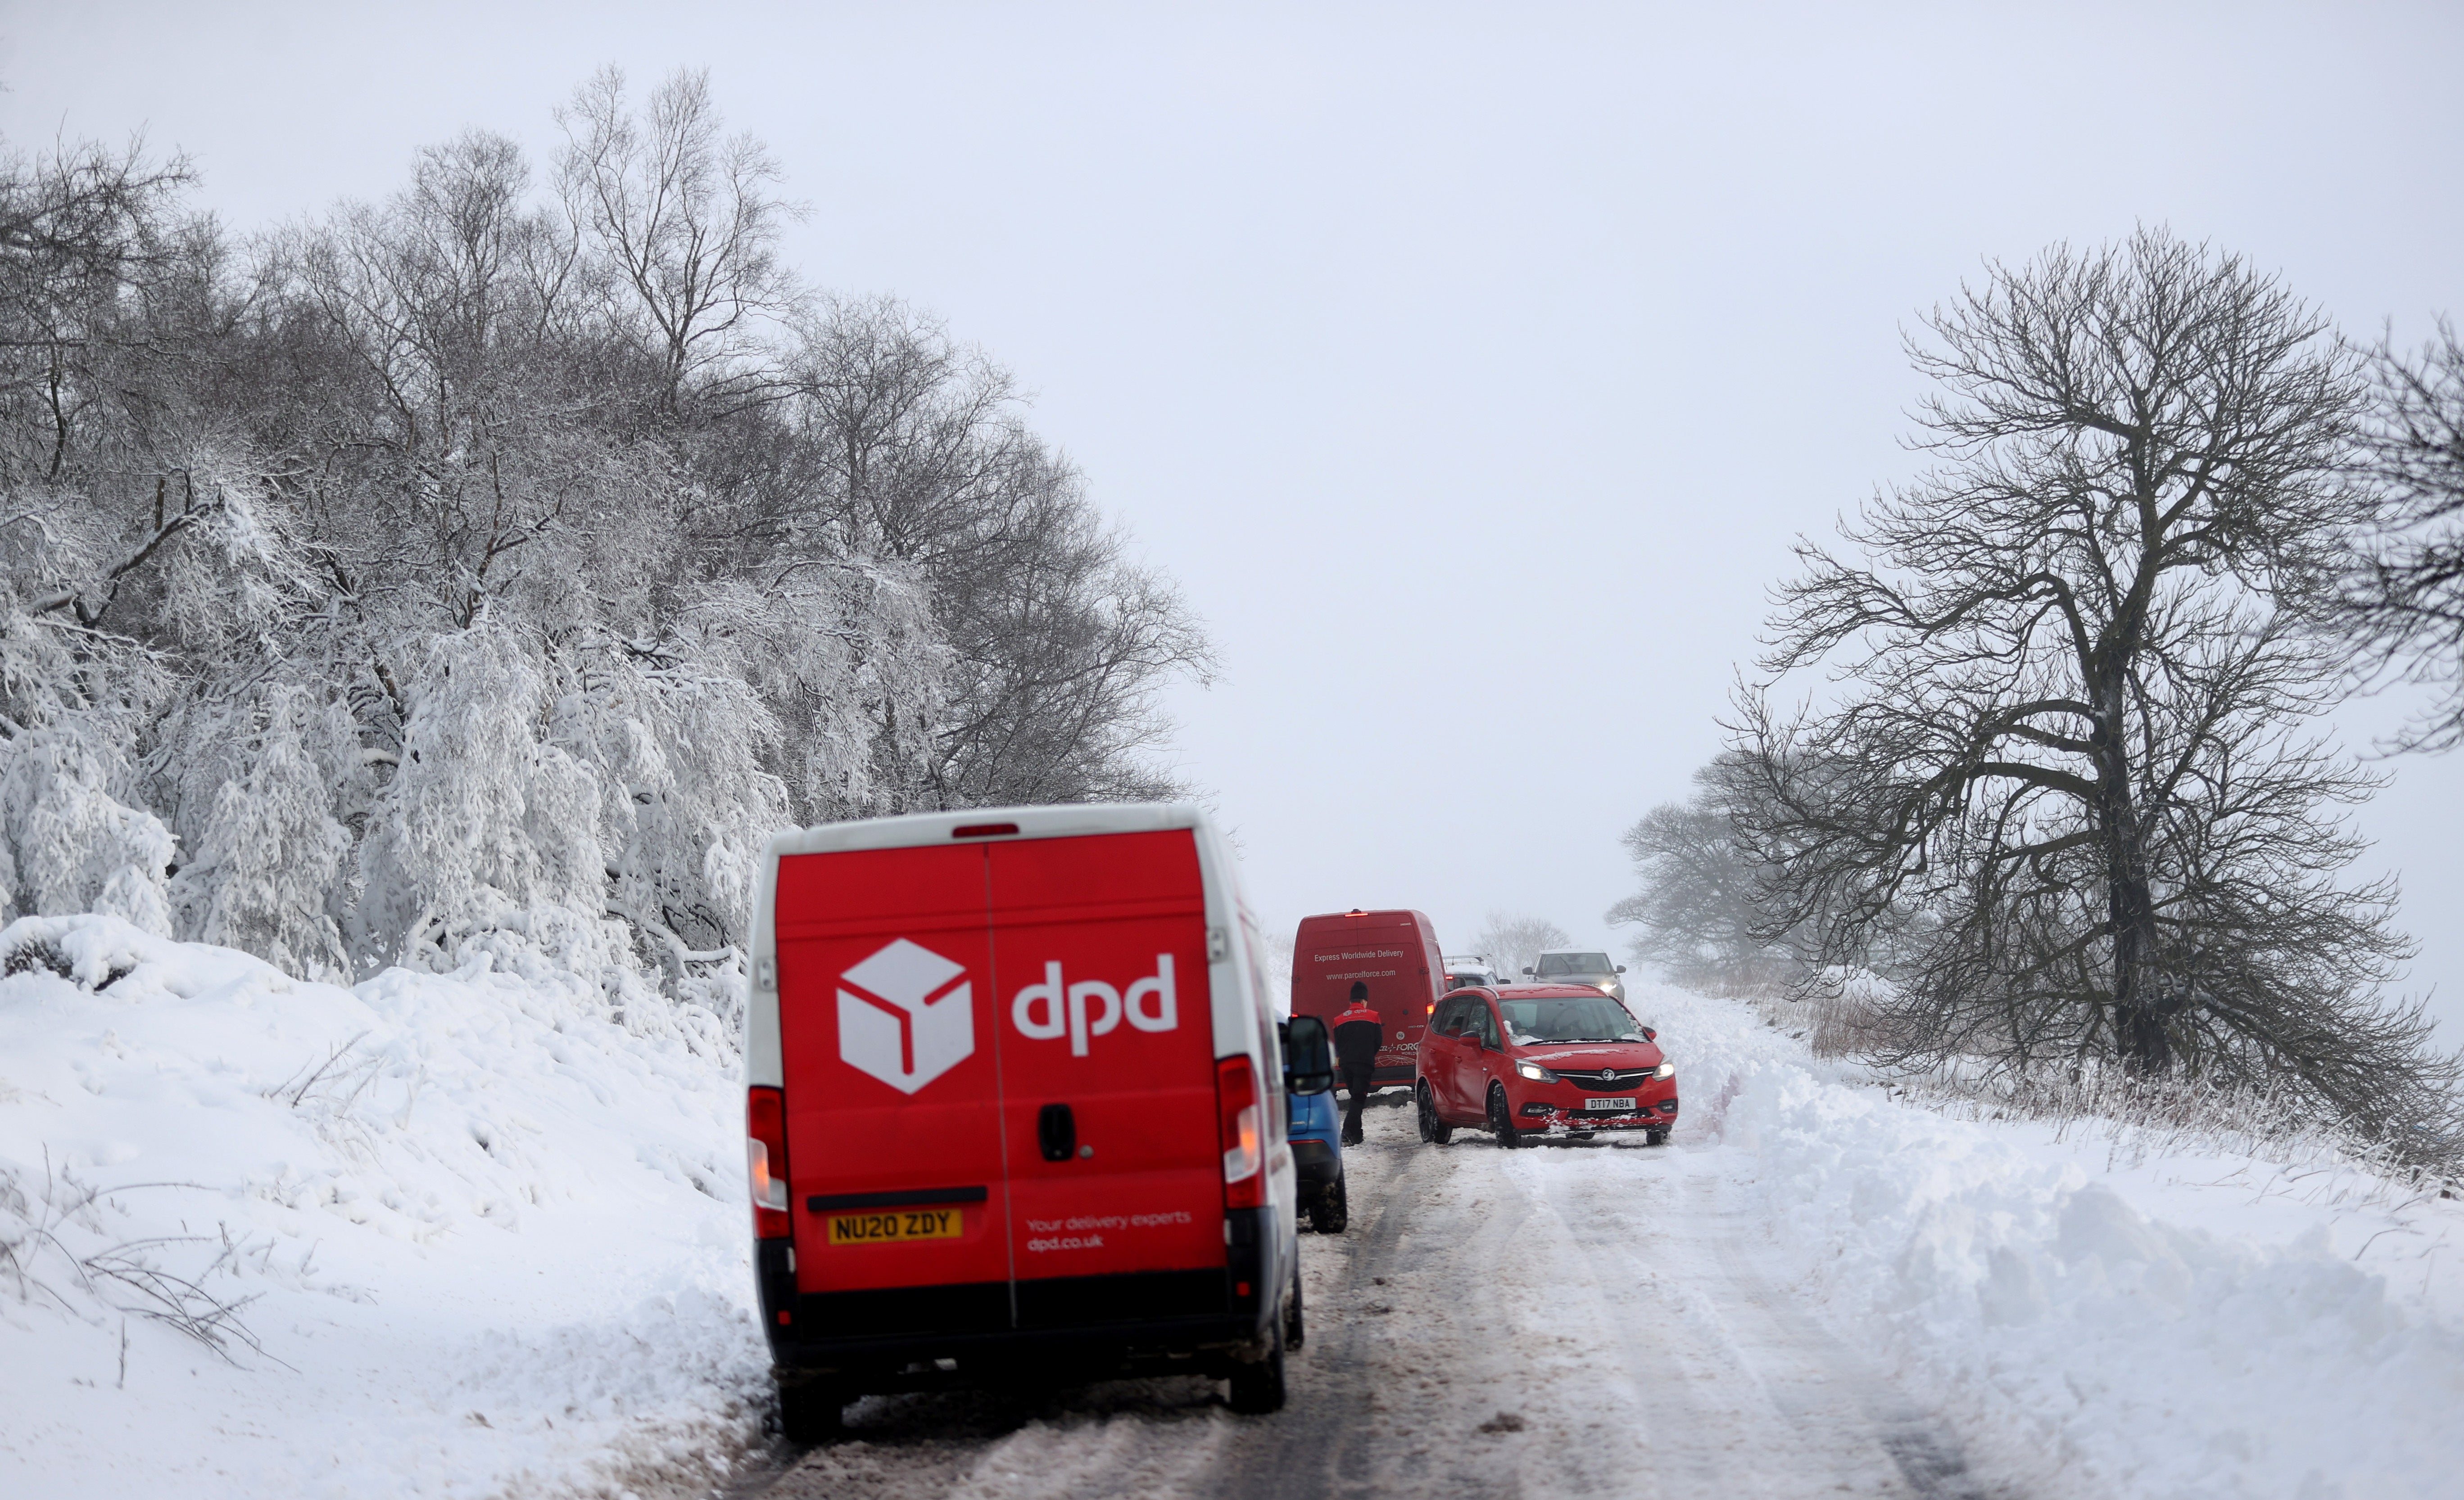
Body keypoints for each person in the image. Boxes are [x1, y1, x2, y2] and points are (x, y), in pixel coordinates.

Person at [1331, 982, 1384, 1146]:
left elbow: (1337, 1044)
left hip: (1346, 1065)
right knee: (1358, 1099)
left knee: (1355, 1096)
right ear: (1364, 1001)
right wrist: (1368, 1055)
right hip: (1364, 1064)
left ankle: (1357, 1135)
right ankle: (1347, 1132)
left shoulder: (1338, 1020)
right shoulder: (1374, 1017)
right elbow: (1378, 1041)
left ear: (1351, 1001)